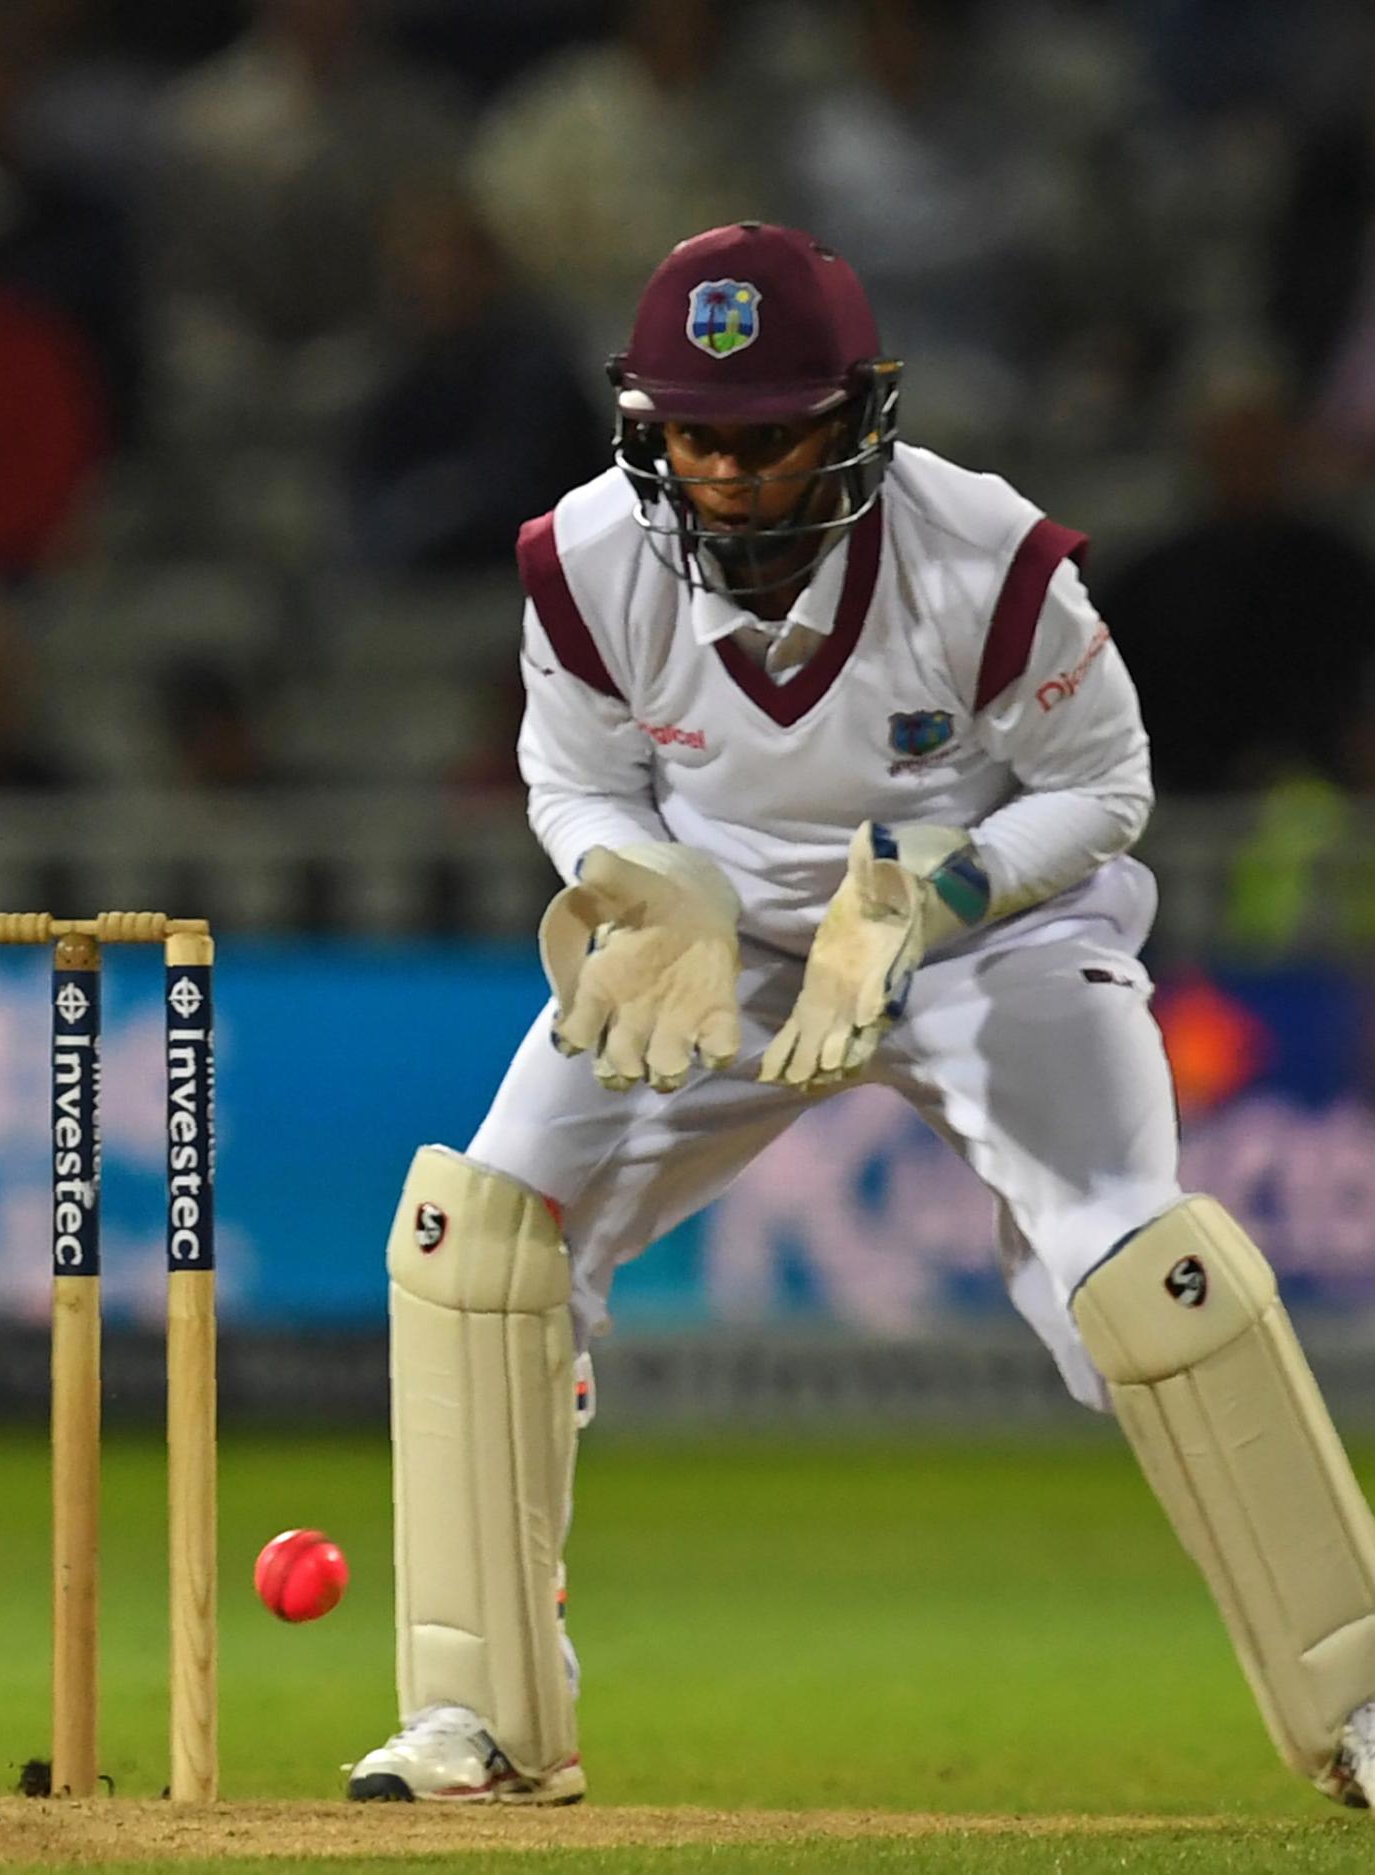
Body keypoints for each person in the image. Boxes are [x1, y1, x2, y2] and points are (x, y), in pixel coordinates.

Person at [349, 221, 1375, 1810]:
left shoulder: (988, 556)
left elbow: (1107, 787)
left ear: (857, 421)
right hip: (722, 947)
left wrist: (928, 900)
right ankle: (480, 1718)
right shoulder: (587, 555)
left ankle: (1362, 1699)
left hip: (986, 933)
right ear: (649, 426)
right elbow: (571, 772)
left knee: (1141, 1268)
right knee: (485, 1239)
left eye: (773, 441)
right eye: (702, 438)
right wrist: (642, 882)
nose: (737, 477)